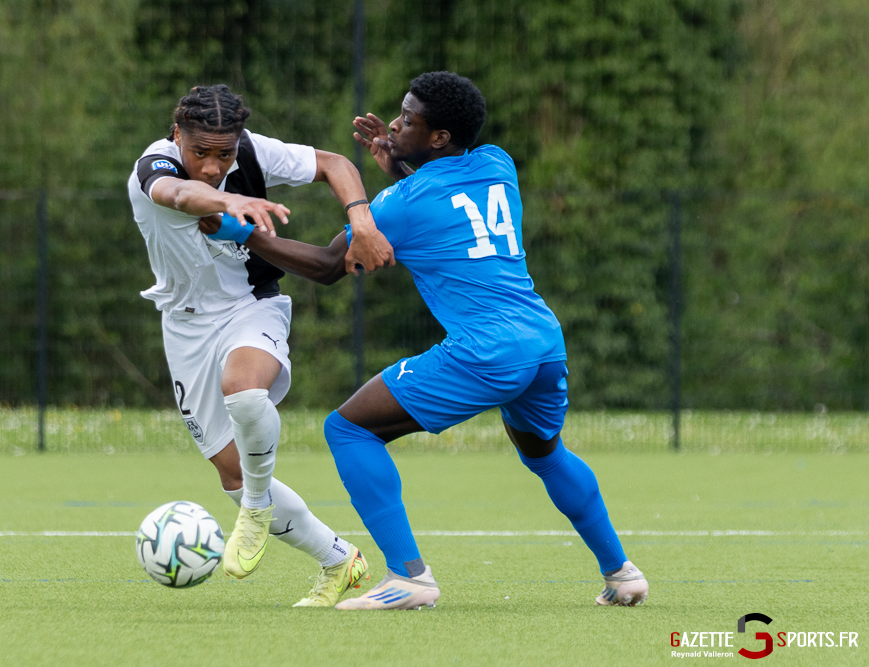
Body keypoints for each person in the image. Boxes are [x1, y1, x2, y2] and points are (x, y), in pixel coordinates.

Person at [224, 71, 648, 611]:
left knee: (349, 429)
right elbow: (445, 191)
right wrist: (402, 159)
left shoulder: (401, 203)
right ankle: (622, 573)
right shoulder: (499, 163)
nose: (395, 122)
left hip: (486, 350)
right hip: (542, 340)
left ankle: (410, 578)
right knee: (545, 453)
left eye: (409, 119)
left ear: (440, 137)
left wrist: (246, 234)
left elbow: (331, 266)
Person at [126, 84, 393, 607]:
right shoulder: (153, 167)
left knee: (244, 391)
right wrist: (229, 198)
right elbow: (177, 196)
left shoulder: (251, 150)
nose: (210, 165)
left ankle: (255, 506)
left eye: (222, 154)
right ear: (177, 135)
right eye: (198, 151)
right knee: (230, 470)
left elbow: (337, 164)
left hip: (252, 306)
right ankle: (340, 561)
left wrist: (361, 220)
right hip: (184, 327)